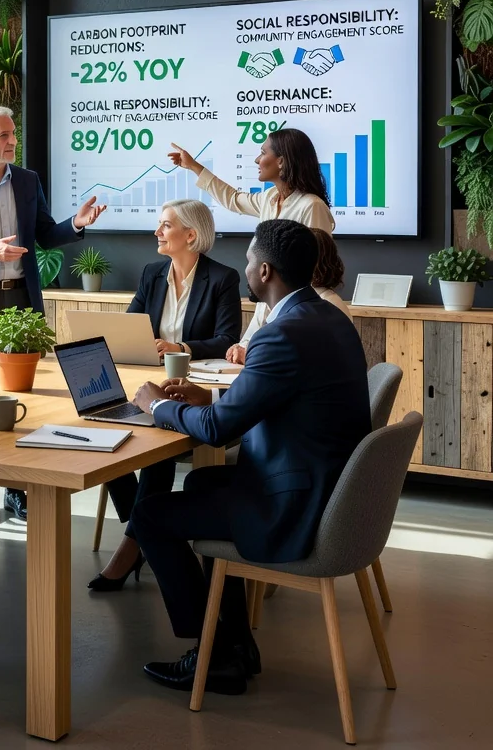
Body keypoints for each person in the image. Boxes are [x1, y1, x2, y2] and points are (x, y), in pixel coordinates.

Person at [127, 219, 370, 695]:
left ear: (265, 271)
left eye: (248, 261)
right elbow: (268, 402)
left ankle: (213, 653)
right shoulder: (326, 318)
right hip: (323, 486)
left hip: (295, 508)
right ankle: (236, 645)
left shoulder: (280, 334)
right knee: (199, 486)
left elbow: (218, 434)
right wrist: (207, 400)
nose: (244, 267)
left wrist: (156, 406)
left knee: (150, 515)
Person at [0, 104, 106, 525]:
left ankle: (16, 489)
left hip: (21, 300)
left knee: (22, 397)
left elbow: (45, 233)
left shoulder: (28, 181)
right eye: (4, 136)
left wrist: (76, 224)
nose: (13, 141)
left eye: (13, 133)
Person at [90, 199, 242, 592]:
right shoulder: (152, 273)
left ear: (190, 235)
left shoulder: (223, 278)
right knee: (108, 433)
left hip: (192, 387)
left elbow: (227, 339)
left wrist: (181, 347)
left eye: (165, 225)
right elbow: (129, 325)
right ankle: (139, 534)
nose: (157, 231)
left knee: (157, 440)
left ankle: (131, 545)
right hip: (144, 382)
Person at [169, 127, 335, 233]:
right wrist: (193, 166)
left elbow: (319, 266)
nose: (257, 160)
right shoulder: (269, 197)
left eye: (263, 153)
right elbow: (233, 199)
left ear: (281, 161)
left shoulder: (312, 206)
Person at [227, 227, 352, 364]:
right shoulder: (270, 300)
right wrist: (239, 349)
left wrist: (250, 356)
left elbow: (297, 360)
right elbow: (248, 341)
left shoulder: (327, 306)